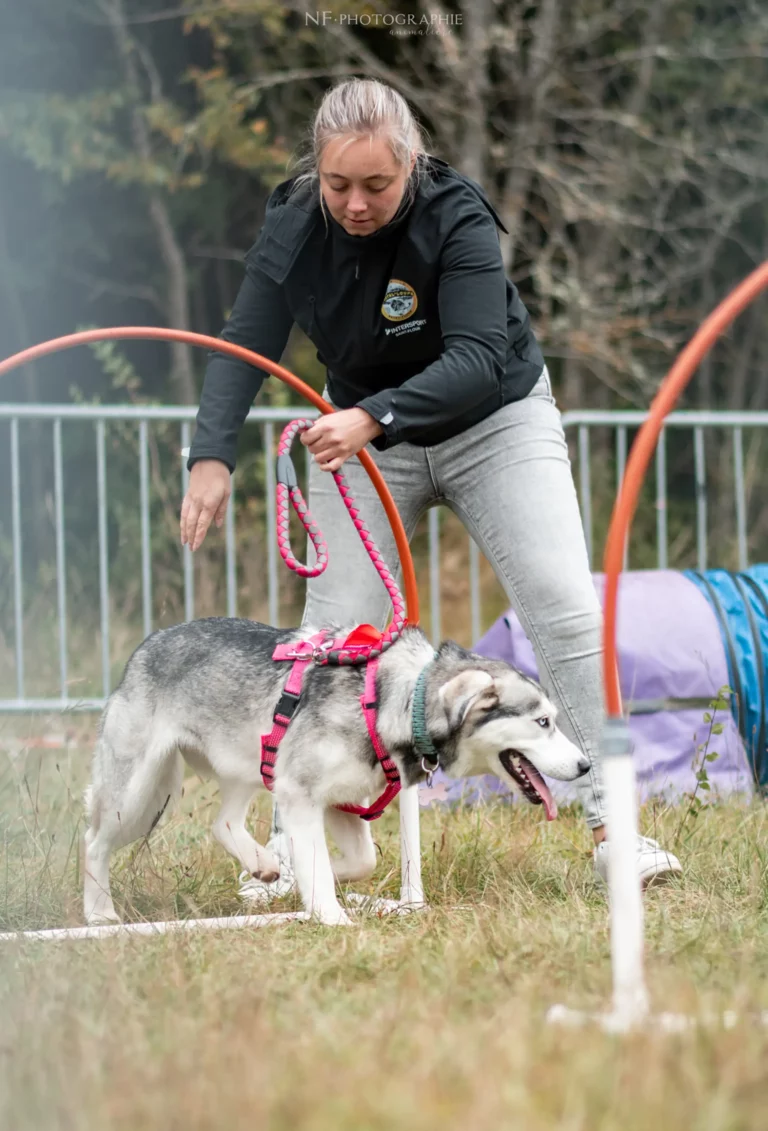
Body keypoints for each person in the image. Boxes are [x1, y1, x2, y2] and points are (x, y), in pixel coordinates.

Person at [181, 77, 682, 898]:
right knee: (329, 641)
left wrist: (373, 416)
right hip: (363, 435)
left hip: (495, 419)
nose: (355, 203)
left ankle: (615, 830)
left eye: (376, 185)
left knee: (565, 607)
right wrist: (210, 453)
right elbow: (246, 340)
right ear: (316, 172)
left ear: (411, 163)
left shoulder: (457, 216)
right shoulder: (295, 221)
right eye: (338, 184)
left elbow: (479, 356)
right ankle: (294, 848)